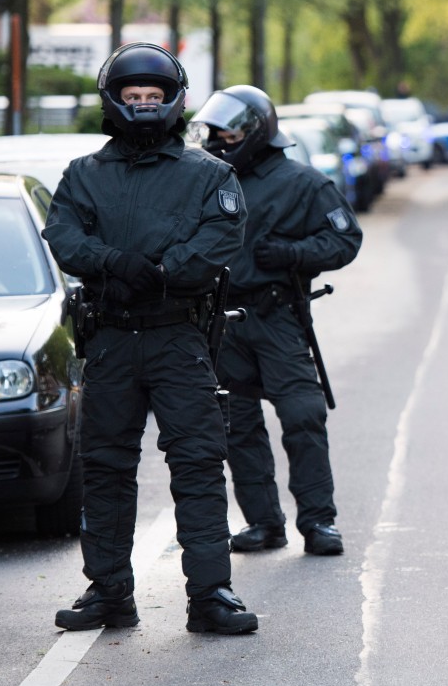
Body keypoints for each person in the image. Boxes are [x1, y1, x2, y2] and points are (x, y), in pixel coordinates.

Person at [43, 42, 258, 634]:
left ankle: (211, 594)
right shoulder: (84, 174)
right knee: (106, 466)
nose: (143, 105)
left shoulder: (209, 174)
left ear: (172, 102)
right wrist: (115, 262)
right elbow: (62, 234)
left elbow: (220, 240)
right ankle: (109, 590)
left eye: (153, 97)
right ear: (115, 102)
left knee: (196, 463)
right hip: (110, 338)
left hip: (176, 337)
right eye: (133, 96)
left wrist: (162, 274)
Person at [188, 85, 362, 557]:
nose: (218, 139)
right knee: (237, 424)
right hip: (222, 320)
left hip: (277, 315)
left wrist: (294, 253)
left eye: (227, 131)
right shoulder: (205, 179)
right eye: (214, 131)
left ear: (254, 131)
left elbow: (346, 240)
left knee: (303, 415)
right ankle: (264, 522)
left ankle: (319, 522)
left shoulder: (304, 183)